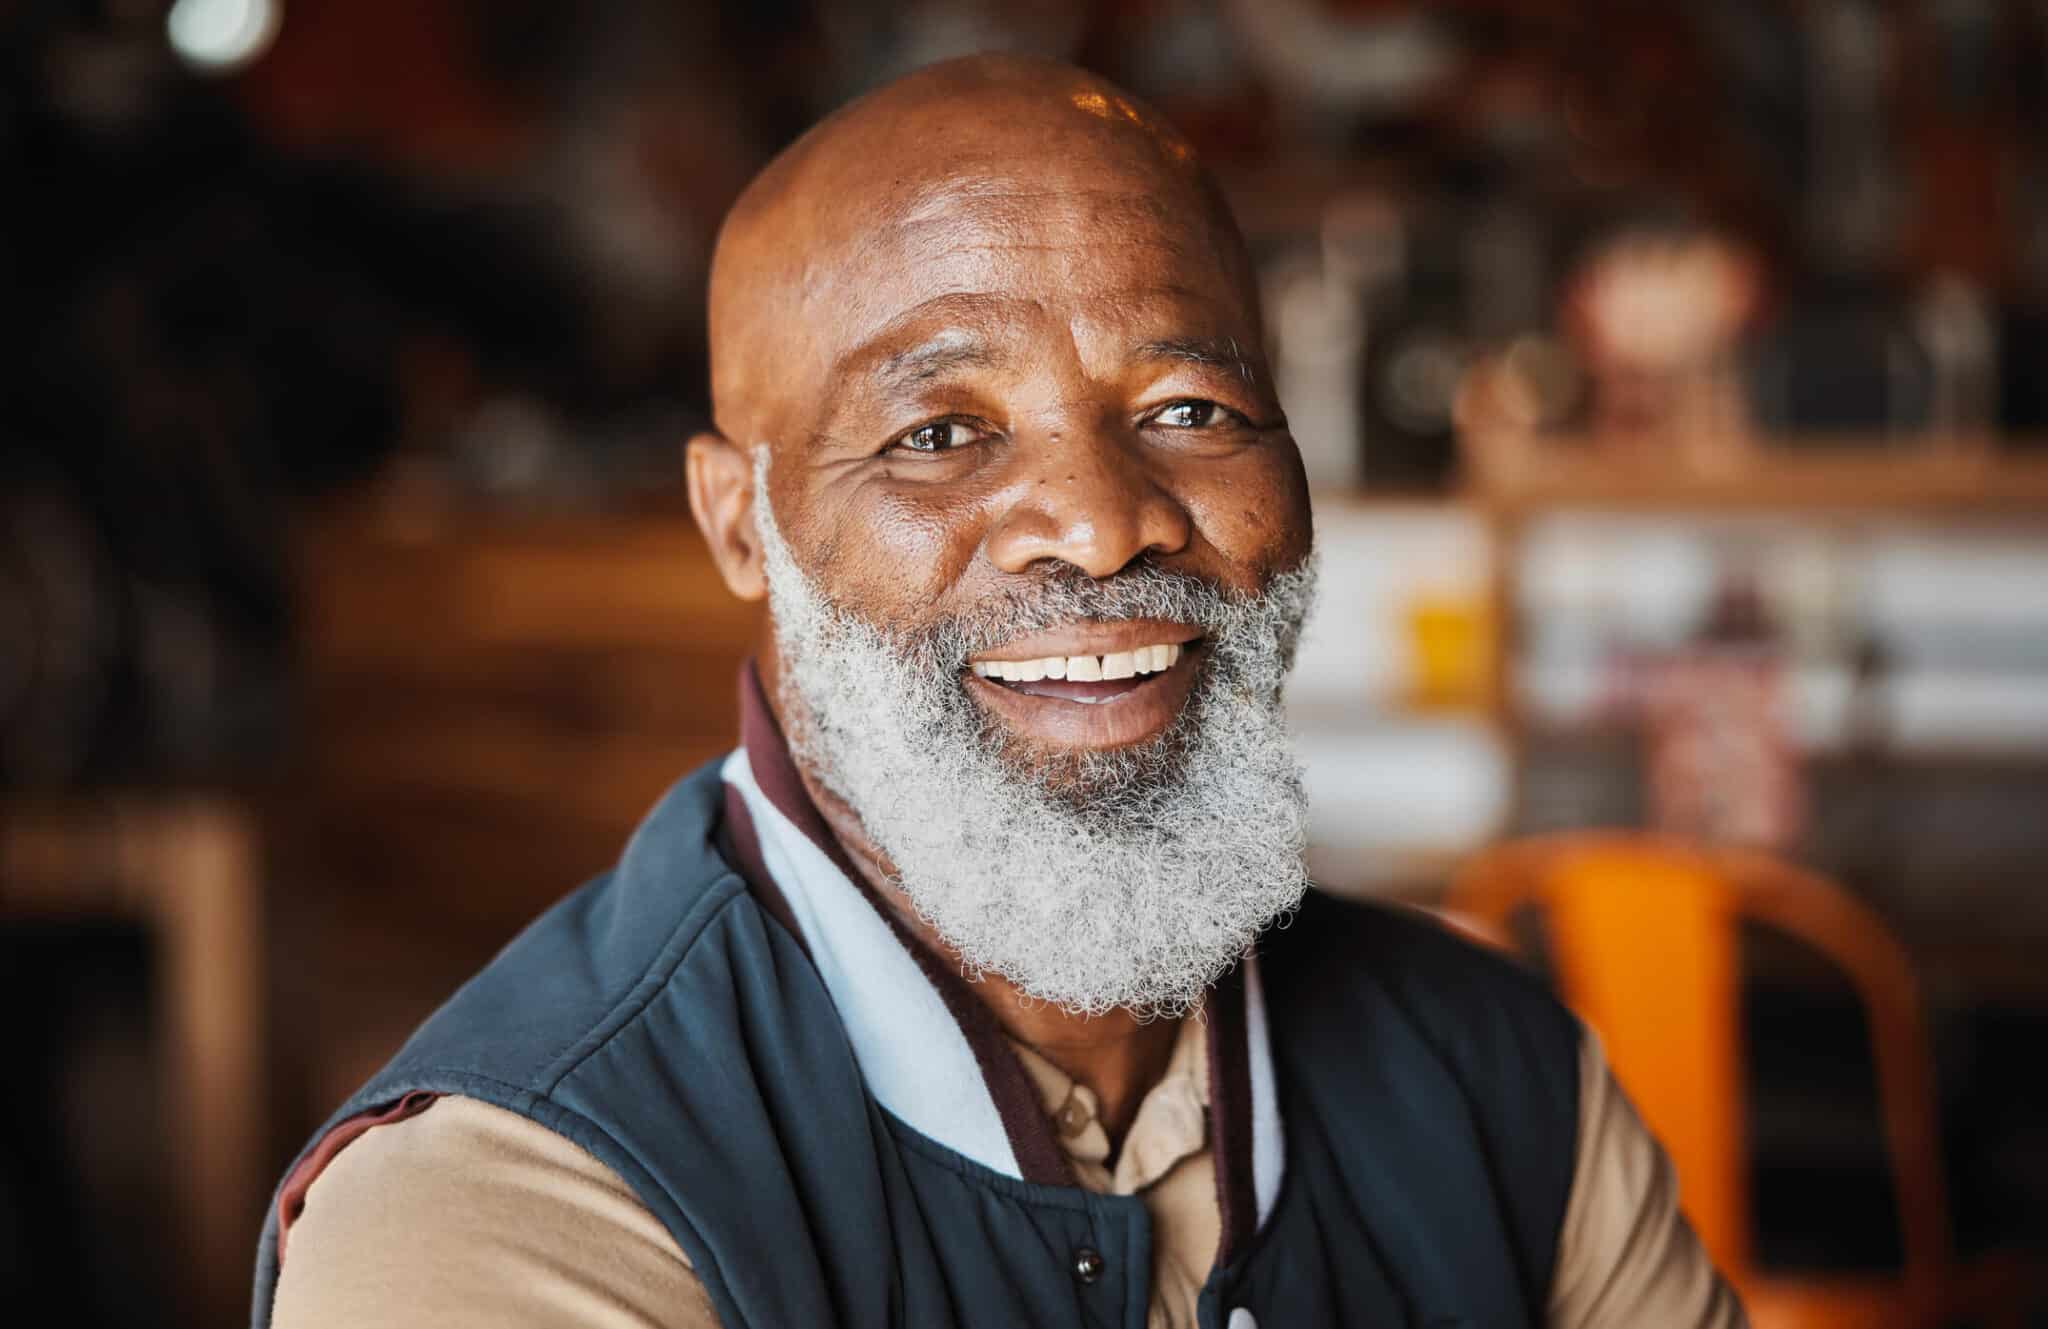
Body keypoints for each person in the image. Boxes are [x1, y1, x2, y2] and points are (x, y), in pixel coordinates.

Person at [257, 55, 1743, 1329]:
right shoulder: (510, 1210)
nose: (1099, 524)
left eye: (1191, 408)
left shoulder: (1506, 1092)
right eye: (938, 434)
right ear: (739, 522)